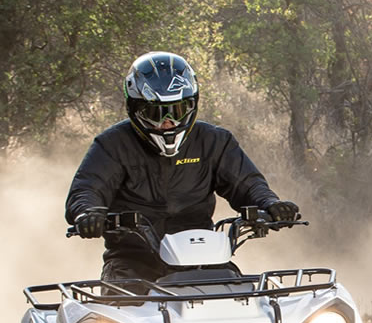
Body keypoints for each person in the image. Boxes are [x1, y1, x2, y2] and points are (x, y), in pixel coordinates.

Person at [65, 52, 299, 282]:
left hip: (205, 256)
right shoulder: (112, 145)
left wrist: (270, 203)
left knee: (245, 301)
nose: (168, 122)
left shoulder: (214, 141)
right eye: (156, 113)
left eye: (177, 110)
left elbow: (247, 185)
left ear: (193, 105)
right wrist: (87, 213)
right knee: (117, 309)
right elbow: (87, 189)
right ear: (135, 108)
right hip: (132, 261)